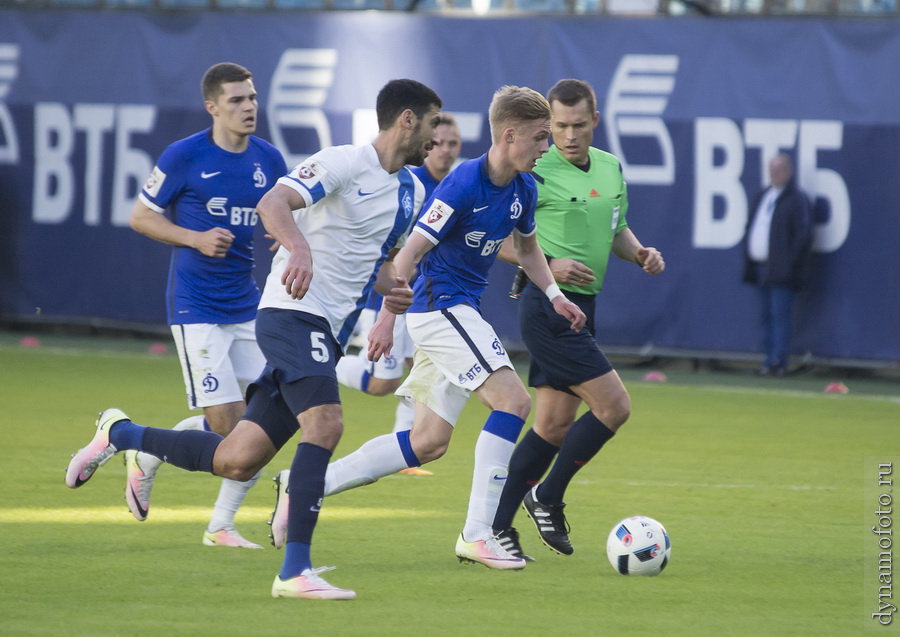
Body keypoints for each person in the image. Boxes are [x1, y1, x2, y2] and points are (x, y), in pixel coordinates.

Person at [66, 78, 444, 600]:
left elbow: (372, 265)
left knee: (236, 457)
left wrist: (391, 300)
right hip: (291, 313)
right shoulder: (342, 161)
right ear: (407, 119)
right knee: (327, 424)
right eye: (432, 123)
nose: (437, 135)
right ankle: (295, 572)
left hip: (327, 331)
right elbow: (274, 204)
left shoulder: (413, 190)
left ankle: (122, 435)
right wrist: (298, 248)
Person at [267, 86, 586, 571]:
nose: (548, 147)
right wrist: (388, 319)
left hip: (459, 311)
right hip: (439, 309)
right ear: (509, 134)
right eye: (542, 138)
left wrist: (557, 296)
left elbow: (526, 251)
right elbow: (409, 253)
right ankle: (478, 534)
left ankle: (307, 483)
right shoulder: (462, 184)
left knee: (427, 442)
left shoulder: (524, 189)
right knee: (515, 401)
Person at [490, 79, 665, 560]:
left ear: (595, 121)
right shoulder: (533, 167)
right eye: (559, 126)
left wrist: (641, 253)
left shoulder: (609, 167)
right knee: (614, 407)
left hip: (583, 307)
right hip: (548, 305)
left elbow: (616, 229)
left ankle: (494, 528)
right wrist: (547, 261)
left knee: (553, 425)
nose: (568, 135)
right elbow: (495, 238)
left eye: (578, 125)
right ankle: (546, 496)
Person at [125, 62, 287, 549]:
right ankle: (145, 449)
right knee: (228, 427)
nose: (249, 107)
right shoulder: (184, 156)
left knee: (268, 418)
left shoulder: (269, 160)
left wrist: (287, 240)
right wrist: (194, 237)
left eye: (253, 98)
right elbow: (140, 216)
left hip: (247, 306)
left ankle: (220, 525)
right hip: (196, 309)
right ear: (212, 106)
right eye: (237, 100)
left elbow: (287, 213)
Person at [334, 114, 462, 442]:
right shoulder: (410, 185)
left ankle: (403, 440)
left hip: (429, 297)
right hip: (395, 296)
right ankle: (326, 366)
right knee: (382, 383)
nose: (445, 150)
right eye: (439, 143)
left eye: (453, 144)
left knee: (418, 362)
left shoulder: (460, 185)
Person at [742, 152, 812, 377]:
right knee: (766, 317)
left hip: (781, 270)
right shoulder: (763, 195)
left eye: (780, 169)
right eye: (772, 169)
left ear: (789, 171)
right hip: (761, 267)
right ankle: (768, 359)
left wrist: (790, 263)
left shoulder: (796, 199)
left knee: (780, 315)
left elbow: (803, 234)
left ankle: (779, 361)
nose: (775, 173)